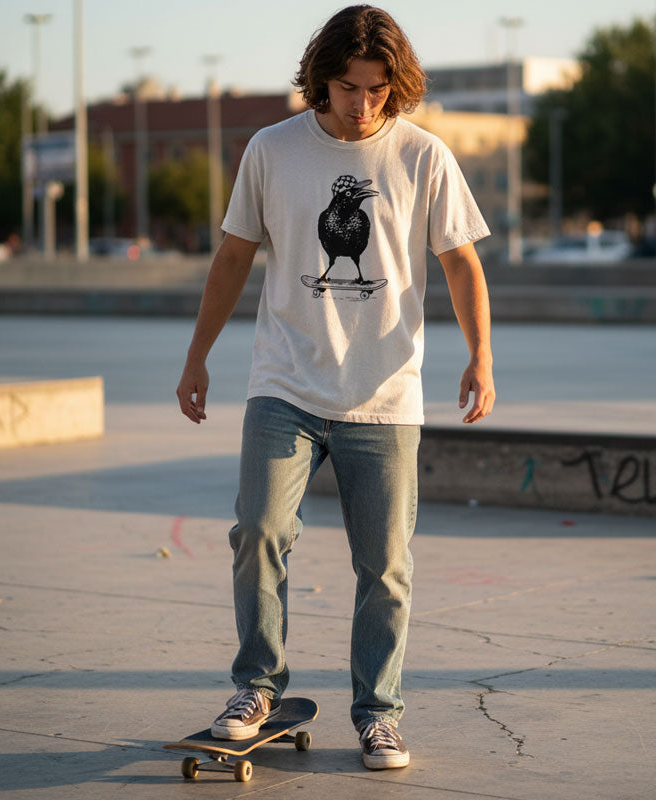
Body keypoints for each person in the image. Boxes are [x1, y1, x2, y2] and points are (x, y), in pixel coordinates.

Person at [176, 4, 495, 770]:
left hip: (383, 396)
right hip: (283, 383)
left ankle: (378, 713)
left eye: (378, 90)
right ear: (321, 79)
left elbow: (460, 263)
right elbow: (231, 257)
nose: (361, 106)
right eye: (348, 88)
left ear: (397, 86)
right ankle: (256, 687)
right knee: (257, 531)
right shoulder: (272, 149)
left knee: (383, 566)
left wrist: (481, 356)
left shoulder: (423, 156)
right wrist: (198, 357)